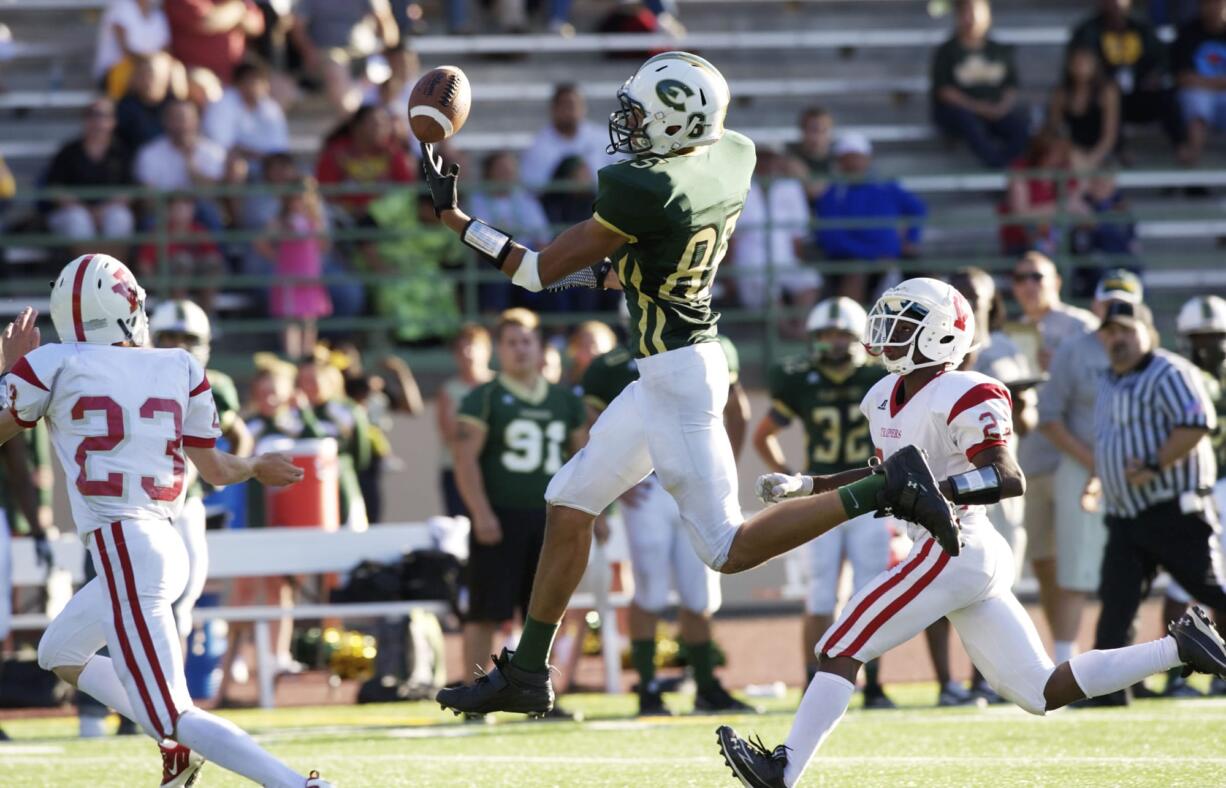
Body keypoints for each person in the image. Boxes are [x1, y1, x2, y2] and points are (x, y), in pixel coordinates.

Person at [424, 50, 962, 718]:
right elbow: (626, 269)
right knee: (568, 499)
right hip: (669, 368)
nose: (627, 126)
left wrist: (455, 219)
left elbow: (534, 272)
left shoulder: (647, 189)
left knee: (725, 549)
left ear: (681, 125)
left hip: (678, 375)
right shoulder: (731, 155)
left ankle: (886, 485)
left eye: (642, 116)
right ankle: (528, 672)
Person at [715, 277, 1226, 788]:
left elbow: (1007, 477)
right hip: (952, 551)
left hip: (955, 544)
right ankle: (1180, 649)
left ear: (940, 336)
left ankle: (783, 769)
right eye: (888, 321)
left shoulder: (965, 390)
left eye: (905, 324)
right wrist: (810, 483)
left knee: (840, 645)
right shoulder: (881, 396)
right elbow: (885, 475)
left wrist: (934, 488)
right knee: (1039, 690)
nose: (888, 333)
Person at [0, 254, 331, 788]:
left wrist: (10, 371)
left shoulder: (55, 361)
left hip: (125, 545)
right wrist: (255, 467)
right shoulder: (181, 365)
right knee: (58, 650)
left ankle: (298, 785)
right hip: (163, 541)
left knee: (173, 710)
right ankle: (176, 745)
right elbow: (217, 469)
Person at [585, 331, 754, 716]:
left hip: (696, 481)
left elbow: (738, 410)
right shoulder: (611, 365)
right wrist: (612, 476)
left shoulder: (714, 346)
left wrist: (724, 469)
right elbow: (591, 425)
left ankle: (706, 687)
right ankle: (648, 688)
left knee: (699, 594)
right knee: (651, 592)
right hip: (646, 486)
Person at [751, 298, 897, 707]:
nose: (835, 343)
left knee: (871, 591)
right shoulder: (799, 379)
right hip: (824, 499)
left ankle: (874, 684)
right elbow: (763, 435)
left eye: (844, 335)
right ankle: (812, 680)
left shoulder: (878, 377)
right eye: (827, 335)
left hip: (871, 495)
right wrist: (795, 480)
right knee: (820, 595)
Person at [1083, 300, 1226, 707]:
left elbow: (1198, 423)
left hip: (1173, 509)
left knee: (1211, 590)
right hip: (1126, 514)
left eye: (1126, 330)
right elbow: (1110, 441)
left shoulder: (1170, 371)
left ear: (1149, 333)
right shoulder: (1109, 379)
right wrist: (1099, 480)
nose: (1117, 340)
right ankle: (1108, 693)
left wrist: (1154, 463)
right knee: (1116, 605)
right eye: (1109, 332)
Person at [452, 308, 588, 720]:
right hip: (500, 515)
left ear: (540, 346)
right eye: (511, 342)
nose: (520, 349)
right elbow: (464, 459)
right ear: (498, 350)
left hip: (550, 519)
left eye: (526, 340)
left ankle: (540, 694)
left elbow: (585, 458)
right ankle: (477, 695)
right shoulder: (485, 396)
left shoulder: (564, 400)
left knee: (546, 609)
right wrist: (480, 512)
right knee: (485, 611)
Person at [148, 299, 252, 640]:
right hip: (144, 501)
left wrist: (213, 482)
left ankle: (170, 683)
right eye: (169, 337)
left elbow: (240, 436)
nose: (179, 347)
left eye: (188, 339)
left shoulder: (213, 384)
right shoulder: (137, 377)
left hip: (185, 500)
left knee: (184, 592)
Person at [1159, 294, 1226, 696]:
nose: (1210, 345)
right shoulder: (1177, 375)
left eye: (1216, 336)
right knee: (1183, 581)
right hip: (1192, 485)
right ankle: (1173, 666)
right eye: (1200, 337)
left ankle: (1221, 668)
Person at [814, 133, 926, 304]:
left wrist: (911, 238)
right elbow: (832, 239)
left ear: (868, 159)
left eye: (858, 158)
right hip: (854, 260)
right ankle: (854, 327)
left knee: (926, 277)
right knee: (855, 273)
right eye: (849, 159)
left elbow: (917, 209)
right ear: (840, 162)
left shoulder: (887, 187)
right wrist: (873, 256)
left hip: (892, 256)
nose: (855, 164)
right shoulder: (832, 194)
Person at [1069, 0, 1188, 160]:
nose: (1116, 5)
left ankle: (1182, 145)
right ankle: (1118, 150)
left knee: (1167, 95)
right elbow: (1082, 63)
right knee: (1109, 95)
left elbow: (1163, 60)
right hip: (1103, 95)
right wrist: (1103, 81)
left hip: (1139, 92)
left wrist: (1155, 75)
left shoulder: (1141, 29)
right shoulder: (1088, 30)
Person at [930, 0, 1031, 168]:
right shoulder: (947, 50)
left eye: (977, 12)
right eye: (966, 12)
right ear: (958, 16)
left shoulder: (998, 49)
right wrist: (979, 107)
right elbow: (945, 91)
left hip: (994, 110)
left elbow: (1011, 85)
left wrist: (1001, 107)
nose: (971, 18)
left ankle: (1008, 164)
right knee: (966, 119)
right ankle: (996, 164)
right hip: (964, 112)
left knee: (1021, 122)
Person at [731, 148, 820, 329]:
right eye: (762, 158)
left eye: (771, 158)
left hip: (785, 260)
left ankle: (801, 329)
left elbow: (798, 235)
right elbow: (731, 238)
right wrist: (728, 274)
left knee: (809, 280)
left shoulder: (791, 187)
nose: (767, 163)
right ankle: (786, 332)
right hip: (750, 263)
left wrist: (797, 261)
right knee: (767, 288)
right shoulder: (737, 186)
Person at [254, 176, 332, 359]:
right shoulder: (281, 222)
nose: (299, 202)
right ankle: (292, 359)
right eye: (295, 198)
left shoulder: (315, 221)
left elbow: (324, 244)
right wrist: (277, 257)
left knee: (309, 320)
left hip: (310, 278)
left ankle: (308, 358)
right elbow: (260, 242)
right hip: (289, 278)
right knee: (290, 322)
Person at [43, 99, 136, 245]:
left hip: (109, 210)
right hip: (73, 211)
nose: (97, 121)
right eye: (92, 115)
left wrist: (101, 211)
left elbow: (129, 190)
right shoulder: (68, 152)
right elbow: (55, 188)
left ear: (113, 121)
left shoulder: (122, 152)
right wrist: (85, 210)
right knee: (78, 220)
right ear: (84, 120)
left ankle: (112, 268)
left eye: (103, 115)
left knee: (120, 218)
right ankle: (86, 268)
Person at [290, 0, 400, 115]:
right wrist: (309, 53)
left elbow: (387, 26)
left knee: (386, 69)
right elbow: (297, 28)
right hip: (328, 53)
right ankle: (353, 118)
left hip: (365, 53)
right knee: (336, 70)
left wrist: (389, 52)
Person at [316, 104, 415, 223]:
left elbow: (405, 188)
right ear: (357, 127)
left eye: (386, 124)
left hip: (381, 220)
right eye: (375, 124)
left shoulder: (393, 153)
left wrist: (375, 210)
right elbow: (326, 192)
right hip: (342, 219)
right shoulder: (335, 153)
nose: (383, 129)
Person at [437, 324, 495, 519]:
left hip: (494, 470)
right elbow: (449, 434)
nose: (467, 353)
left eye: (472, 346)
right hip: (456, 471)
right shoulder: (449, 390)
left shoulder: (500, 386)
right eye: (461, 348)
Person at [519, 84, 616, 193]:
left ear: (583, 107)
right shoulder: (537, 148)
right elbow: (533, 191)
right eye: (565, 105)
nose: (570, 110)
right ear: (553, 109)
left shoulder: (604, 139)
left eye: (574, 105)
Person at [997, 133, 1079, 257]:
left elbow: (1075, 204)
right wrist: (1059, 207)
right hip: (1023, 238)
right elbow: (1021, 214)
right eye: (1056, 153)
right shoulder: (1021, 169)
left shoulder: (1064, 170)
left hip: (1058, 234)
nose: (1060, 158)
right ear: (1041, 153)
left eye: (1063, 153)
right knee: (1042, 239)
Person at [1046, 46, 1122, 173]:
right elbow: (1056, 128)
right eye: (1077, 63)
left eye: (1085, 62)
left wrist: (1092, 159)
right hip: (1071, 151)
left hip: (1101, 151)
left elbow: (1110, 136)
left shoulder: (1107, 91)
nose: (1080, 67)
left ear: (1094, 65)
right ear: (1069, 66)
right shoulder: (1062, 93)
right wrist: (1072, 152)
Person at [1173, 0, 1226, 165]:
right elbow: (1182, 77)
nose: (1213, 7)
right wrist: (1219, 82)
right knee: (1197, 101)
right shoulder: (1188, 33)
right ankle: (1193, 157)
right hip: (1197, 91)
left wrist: (1204, 81)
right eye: (1208, 3)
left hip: (1218, 92)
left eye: (1217, 3)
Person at [202, 61, 289, 161]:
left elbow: (279, 147)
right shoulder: (221, 104)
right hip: (226, 163)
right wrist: (250, 153)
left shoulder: (271, 108)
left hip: (265, 164)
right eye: (251, 81)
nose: (257, 86)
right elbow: (221, 143)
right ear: (239, 83)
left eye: (260, 81)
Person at [134, 99, 227, 192]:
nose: (182, 124)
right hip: (164, 205)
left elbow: (215, 194)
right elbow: (148, 197)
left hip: (201, 205)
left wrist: (191, 164)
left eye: (186, 119)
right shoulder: (149, 153)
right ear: (165, 121)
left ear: (197, 120)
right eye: (176, 119)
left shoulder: (213, 151)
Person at [165, 0, 264, 85]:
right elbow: (206, 21)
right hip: (193, 73)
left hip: (236, 74)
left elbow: (255, 25)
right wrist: (238, 9)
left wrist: (227, 15)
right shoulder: (238, 6)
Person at [93, 0, 171, 100]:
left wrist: (153, 64)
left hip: (153, 70)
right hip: (115, 71)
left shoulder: (158, 15)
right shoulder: (121, 7)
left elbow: (166, 49)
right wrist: (149, 62)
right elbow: (125, 48)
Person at [115, 54, 178, 151]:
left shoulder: (175, 105)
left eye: (151, 74)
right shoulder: (125, 106)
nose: (146, 80)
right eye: (142, 74)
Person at [785, 106, 834, 196]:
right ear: (803, 130)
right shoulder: (791, 159)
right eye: (813, 130)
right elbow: (813, 191)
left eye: (823, 130)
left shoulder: (837, 159)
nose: (817, 136)